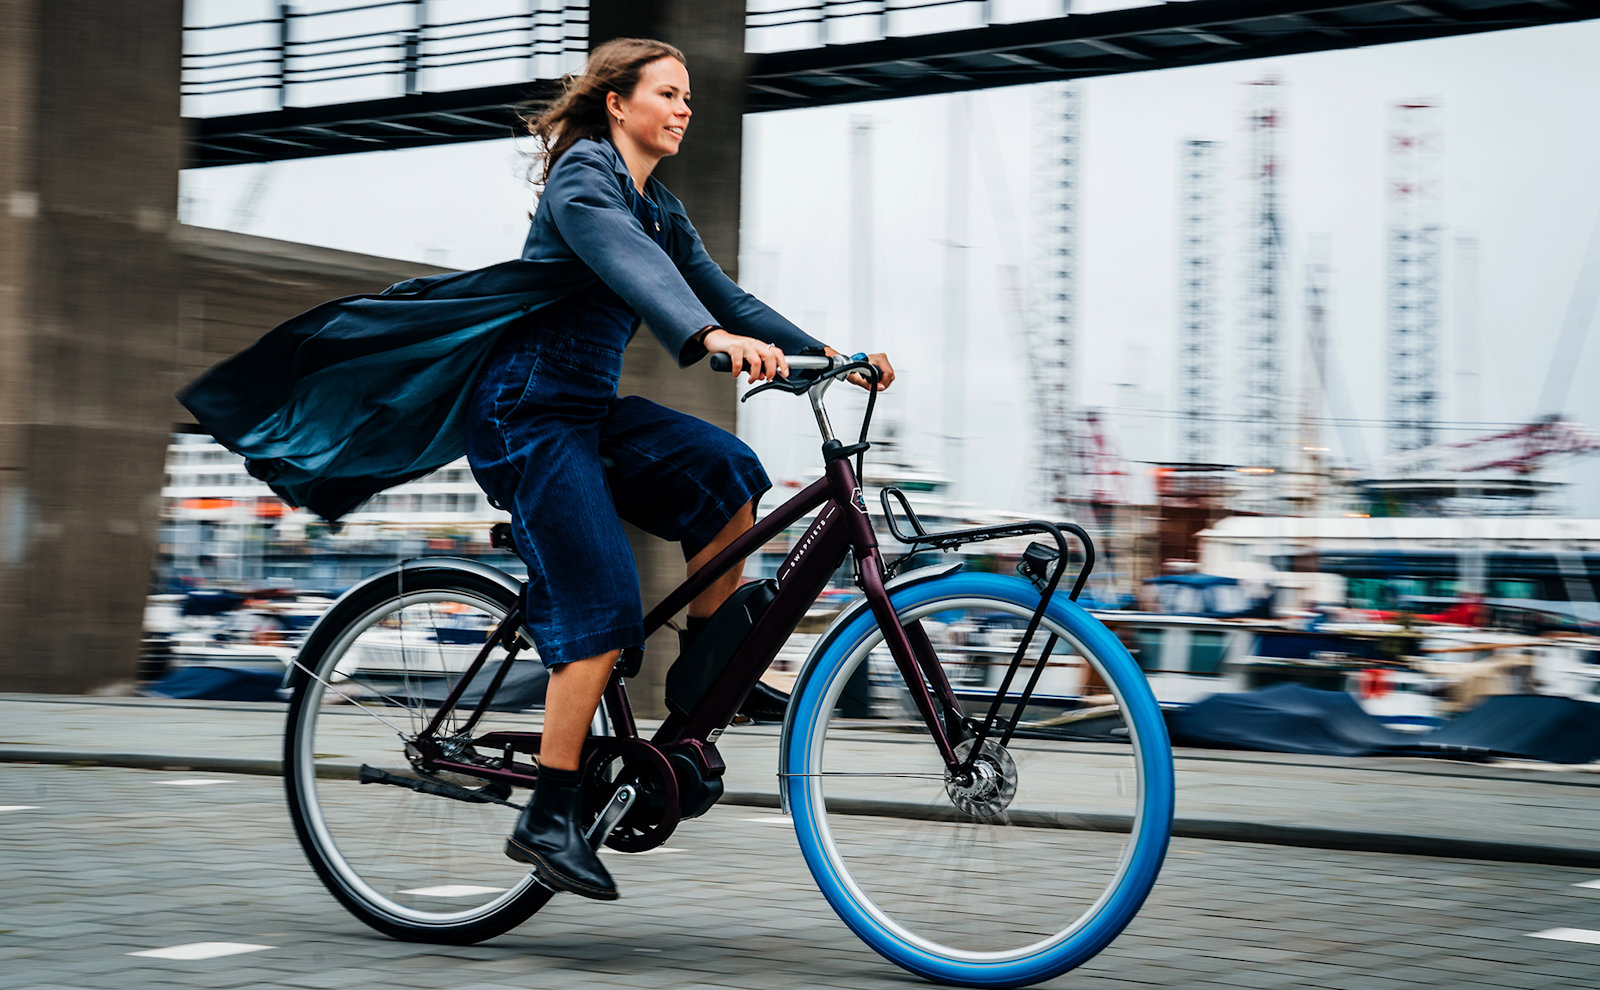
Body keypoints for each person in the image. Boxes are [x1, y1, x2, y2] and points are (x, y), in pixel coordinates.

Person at [180, 37, 893, 902]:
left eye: (689, 98)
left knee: (727, 471)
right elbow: (633, 267)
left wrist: (831, 354)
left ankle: (707, 684)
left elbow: (725, 294)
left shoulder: (661, 207)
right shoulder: (584, 177)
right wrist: (705, 337)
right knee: (600, 603)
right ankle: (549, 815)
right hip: (525, 413)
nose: (684, 109)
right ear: (617, 104)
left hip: (584, 412)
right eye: (668, 94)